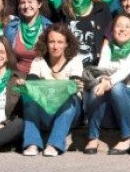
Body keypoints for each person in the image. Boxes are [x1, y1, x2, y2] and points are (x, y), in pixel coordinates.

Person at [84, 13, 130, 155]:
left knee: (117, 88)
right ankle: (92, 137)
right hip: (108, 106)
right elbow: (101, 71)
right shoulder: (107, 48)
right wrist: (103, 81)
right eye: (118, 26)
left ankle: (126, 136)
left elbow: (124, 72)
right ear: (112, 31)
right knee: (96, 86)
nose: (122, 29)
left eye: (127, 27)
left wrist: (108, 81)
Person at [21, 23, 85, 157]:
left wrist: (48, 86)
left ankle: (54, 144)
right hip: (44, 109)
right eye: (52, 42)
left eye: (60, 42)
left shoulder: (75, 61)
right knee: (28, 99)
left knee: (70, 99)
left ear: (67, 44)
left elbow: (71, 87)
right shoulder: (38, 61)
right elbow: (33, 86)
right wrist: (25, 85)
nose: (55, 46)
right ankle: (32, 143)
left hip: (69, 112)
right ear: (46, 43)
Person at [63, 0, 111, 67]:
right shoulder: (64, 9)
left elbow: (108, 37)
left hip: (95, 66)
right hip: (70, 67)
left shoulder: (102, 8)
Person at [4, 0, 52, 75]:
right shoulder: (11, 28)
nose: (26, 6)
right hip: (17, 77)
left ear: (39, 4)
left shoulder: (48, 28)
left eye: (30, 2)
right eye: (23, 3)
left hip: (41, 78)